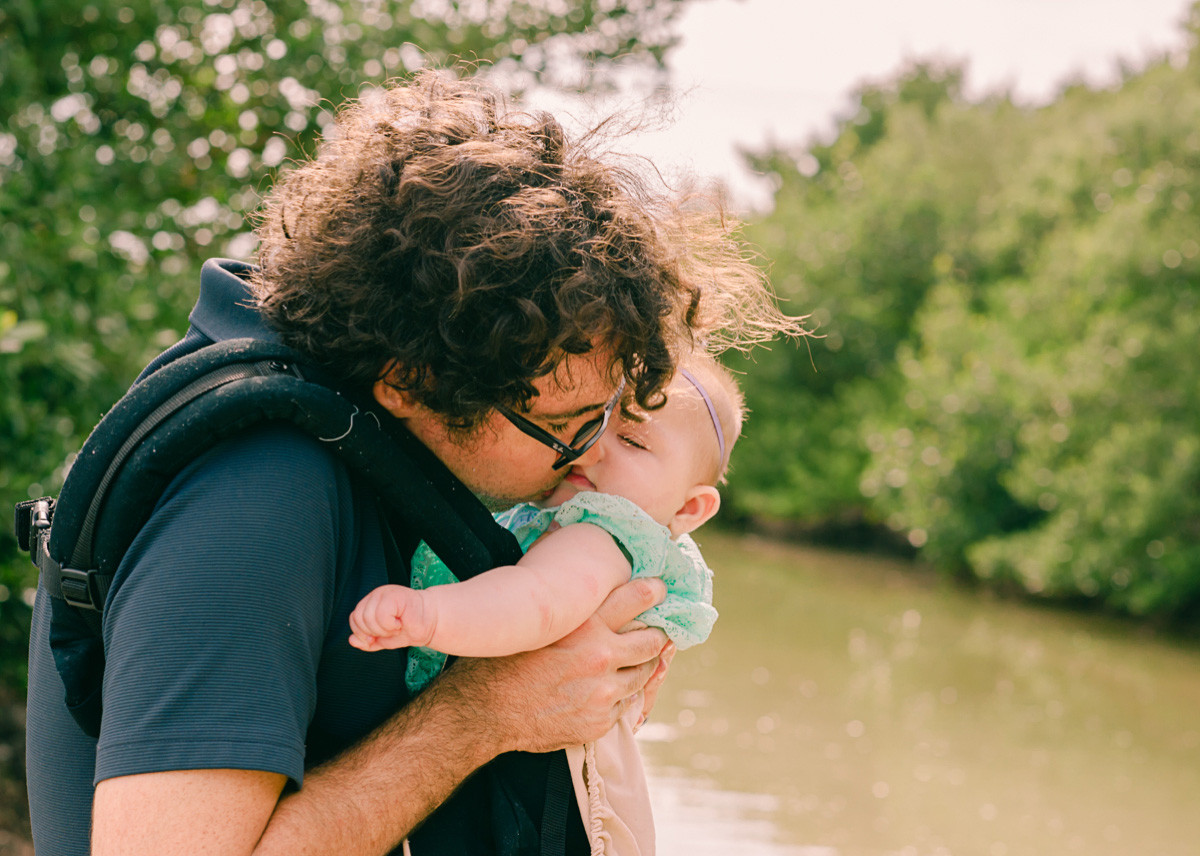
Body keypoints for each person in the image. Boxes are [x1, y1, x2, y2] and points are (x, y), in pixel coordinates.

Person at [25, 70, 800, 856]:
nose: (590, 454)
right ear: (412, 382)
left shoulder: (369, 438)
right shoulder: (257, 497)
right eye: (566, 426)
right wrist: (485, 712)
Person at [349, 356, 742, 855]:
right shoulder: (557, 509)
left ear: (690, 509)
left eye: (634, 441)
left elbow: (539, 603)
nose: (594, 449)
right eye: (590, 422)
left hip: (559, 807)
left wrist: (429, 615)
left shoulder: (606, 531)